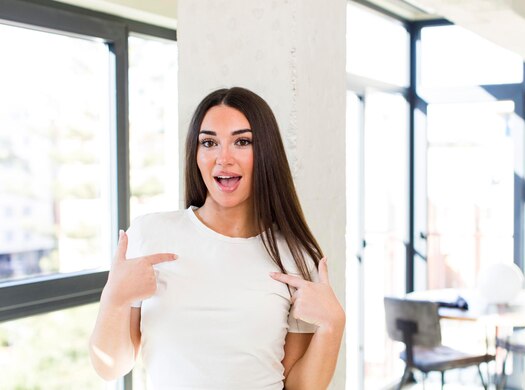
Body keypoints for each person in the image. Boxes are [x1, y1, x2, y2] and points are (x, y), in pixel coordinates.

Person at [89, 87, 345, 389]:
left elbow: (299, 387)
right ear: (195, 154)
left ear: (266, 154)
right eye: (209, 142)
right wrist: (114, 299)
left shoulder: (294, 256)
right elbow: (110, 366)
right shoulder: (149, 235)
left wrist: (333, 325)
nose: (223, 158)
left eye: (242, 142)